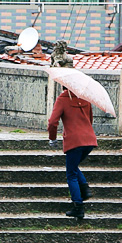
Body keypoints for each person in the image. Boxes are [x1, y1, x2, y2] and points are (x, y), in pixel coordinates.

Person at [47, 88, 96, 222]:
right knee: (73, 167)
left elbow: (52, 122)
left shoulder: (62, 99)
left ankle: (78, 206)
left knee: (71, 174)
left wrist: (52, 138)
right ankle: (85, 189)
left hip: (74, 141)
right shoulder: (85, 97)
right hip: (89, 140)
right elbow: (90, 119)